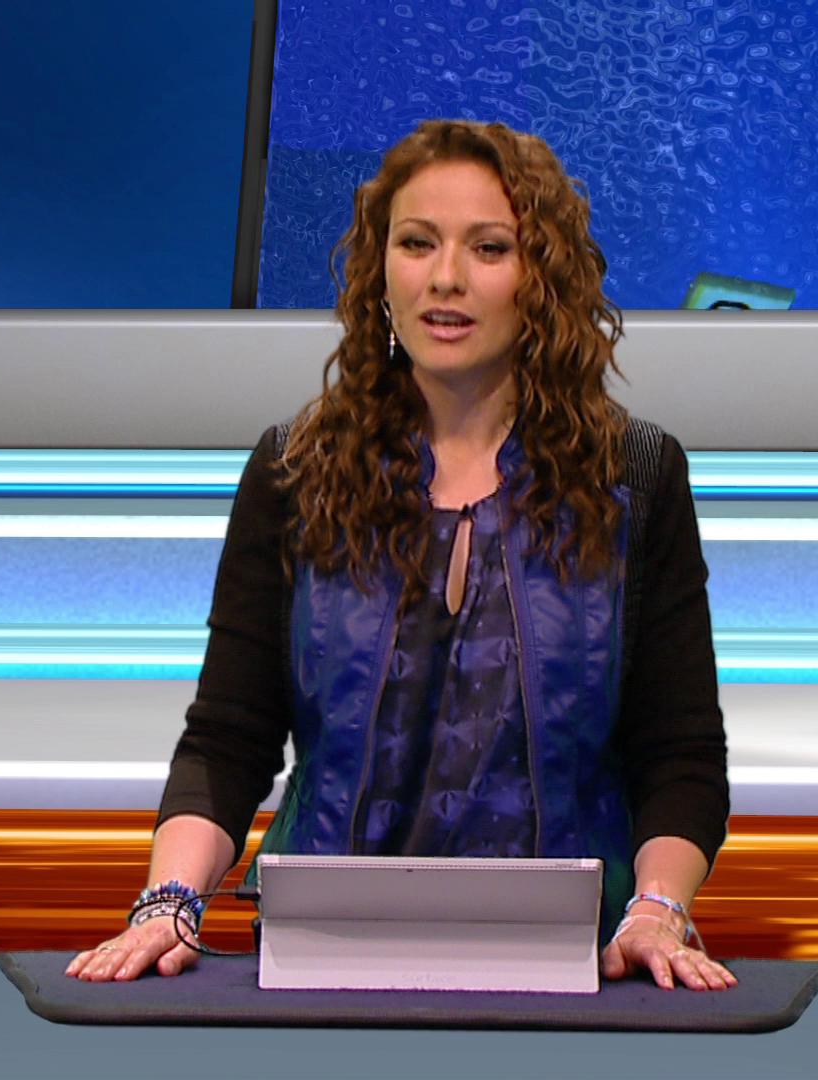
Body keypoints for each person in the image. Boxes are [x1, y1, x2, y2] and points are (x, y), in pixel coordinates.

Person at [67, 119, 733, 992]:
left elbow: (679, 754)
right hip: (320, 965)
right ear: (379, 270)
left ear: (543, 277)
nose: (445, 278)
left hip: (576, 973)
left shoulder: (636, 477)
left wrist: (657, 910)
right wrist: (169, 902)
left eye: (488, 248)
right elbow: (228, 738)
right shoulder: (295, 470)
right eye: (417, 243)